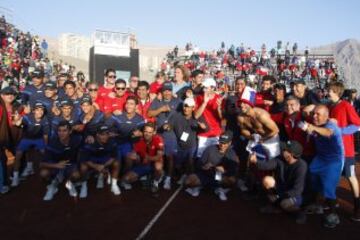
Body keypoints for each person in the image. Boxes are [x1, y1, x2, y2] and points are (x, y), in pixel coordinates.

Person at [299, 105, 344, 228]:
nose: (314, 116)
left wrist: (312, 128)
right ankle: (318, 205)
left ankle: (334, 215)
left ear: (326, 116)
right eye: (313, 113)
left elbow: (328, 133)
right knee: (313, 179)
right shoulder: (315, 123)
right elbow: (303, 111)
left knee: (328, 188)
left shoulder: (331, 125)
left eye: (318, 114)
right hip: (320, 158)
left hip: (333, 161)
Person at [250, 140, 307, 224]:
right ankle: (276, 206)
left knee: (285, 204)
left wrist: (279, 196)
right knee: (267, 180)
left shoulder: (301, 166)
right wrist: (255, 162)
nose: (282, 150)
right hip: (281, 189)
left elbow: (297, 190)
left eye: (285, 150)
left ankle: (299, 213)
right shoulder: (280, 159)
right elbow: (266, 166)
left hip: (293, 194)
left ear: (291, 154)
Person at [327, 82, 360, 221]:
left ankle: (357, 207)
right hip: (332, 150)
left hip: (346, 150)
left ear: (336, 92)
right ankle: (333, 205)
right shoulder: (329, 106)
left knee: (350, 177)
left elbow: (357, 125)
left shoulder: (346, 105)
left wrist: (340, 131)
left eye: (329, 90)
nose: (327, 92)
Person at [184, 131, 239, 201]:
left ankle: (219, 188)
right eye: (221, 142)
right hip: (206, 175)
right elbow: (199, 164)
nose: (222, 145)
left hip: (221, 178)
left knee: (233, 180)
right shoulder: (210, 149)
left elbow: (233, 170)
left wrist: (224, 171)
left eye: (225, 143)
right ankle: (201, 186)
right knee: (187, 181)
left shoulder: (232, 153)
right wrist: (204, 166)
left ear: (230, 143)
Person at [148, 82, 182, 190]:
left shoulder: (178, 101)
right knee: (159, 157)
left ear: (172, 91)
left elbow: (185, 114)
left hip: (172, 135)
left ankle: (168, 178)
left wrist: (173, 125)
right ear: (162, 92)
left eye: (169, 90)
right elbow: (149, 113)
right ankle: (158, 178)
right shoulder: (157, 101)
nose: (167, 92)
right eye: (165, 90)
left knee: (170, 157)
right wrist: (161, 109)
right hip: (159, 134)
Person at [106, 96, 145, 189]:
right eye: (127, 103)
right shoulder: (117, 116)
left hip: (128, 145)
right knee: (116, 161)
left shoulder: (140, 119)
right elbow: (105, 127)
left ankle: (122, 179)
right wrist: (109, 133)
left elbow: (145, 133)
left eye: (131, 104)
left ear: (136, 106)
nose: (128, 106)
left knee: (129, 159)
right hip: (115, 143)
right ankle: (111, 178)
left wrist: (141, 133)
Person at [169, 97, 208, 183]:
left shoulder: (197, 116)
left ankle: (189, 178)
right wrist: (167, 127)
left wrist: (203, 128)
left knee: (190, 162)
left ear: (193, 108)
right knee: (178, 165)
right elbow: (170, 125)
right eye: (184, 106)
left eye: (188, 107)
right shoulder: (176, 116)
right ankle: (180, 174)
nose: (186, 108)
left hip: (191, 145)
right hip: (179, 145)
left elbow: (206, 129)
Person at [40, 121, 82, 201]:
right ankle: (52, 185)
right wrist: (56, 165)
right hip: (55, 165)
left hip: (70, 165)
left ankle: (69, 182)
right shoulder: (52, 143)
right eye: (59, 131)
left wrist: (90, 137)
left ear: (70, 131)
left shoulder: (77, 140)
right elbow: (41, 164)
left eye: (64, 130)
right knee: (43, 173)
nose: (61, 133)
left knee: (77, 175)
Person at [11, 101, 49, 187]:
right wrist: (17, 120)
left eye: (41, 110)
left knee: (45, 154)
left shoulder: (45, 119)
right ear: (33, 111)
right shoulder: (27, 117)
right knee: (18, 155)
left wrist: (45, 147)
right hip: (26, 139)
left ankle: (47, 174)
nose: (40, 112)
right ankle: (15, 178)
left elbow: (45, 135)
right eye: (37, 110)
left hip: (38, 139)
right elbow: (16, 123)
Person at [121, 123, 165, 192]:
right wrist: (133, 156)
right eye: (145, 132)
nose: (147, 134)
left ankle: (155, 182)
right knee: (125, 179)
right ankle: (144, 176)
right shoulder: (138, 140)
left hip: (154, 163)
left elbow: (159, 156)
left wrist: (148, 158)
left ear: (154, 132)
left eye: (150, 132)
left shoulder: (158, 139)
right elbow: (134, 153)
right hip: (143, 164)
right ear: (143, 132)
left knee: (158, 166)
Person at [79, 125, 121, 197]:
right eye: (102, 134)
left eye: (107, 134)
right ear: (97, 135)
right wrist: (95, 166)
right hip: (93, 160)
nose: (105, 136)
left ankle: (114, 184)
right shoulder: (90, 142)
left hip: (105, 160)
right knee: (83, 166)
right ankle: (84, 185)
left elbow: (113, 157)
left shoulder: (112, 142)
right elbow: (85, 159)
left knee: (117, 163)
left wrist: (103, 166)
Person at [194, 78, 223, 158]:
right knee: (201, 158)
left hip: (216, 134)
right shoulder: (199, 98)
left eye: (206, 87)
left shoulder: (219, 99)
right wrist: (204, 103)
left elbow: (222, 119)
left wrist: (219, 108)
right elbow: (196, 115)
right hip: (204, 134)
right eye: (204, 87)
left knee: (215, 158)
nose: (204, 89)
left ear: (213, 88)